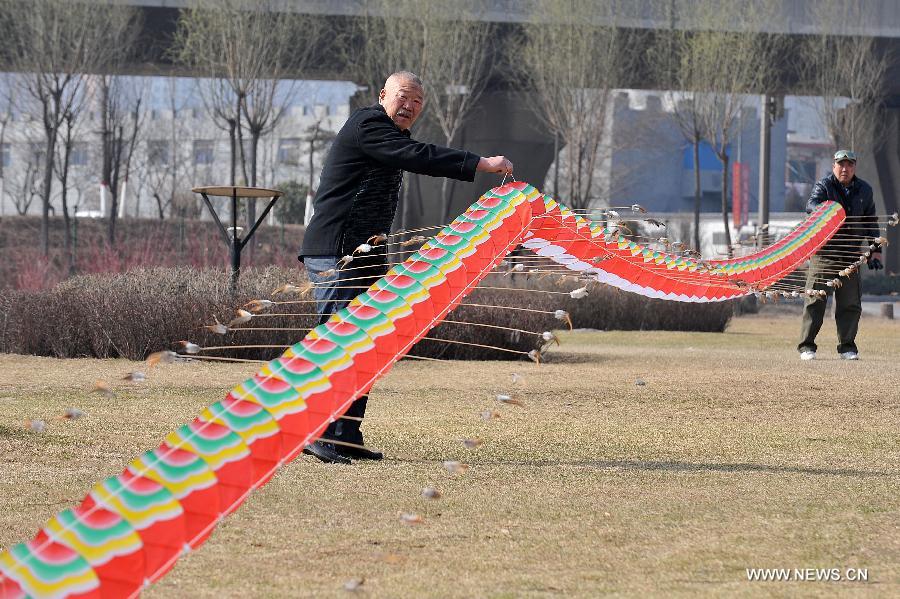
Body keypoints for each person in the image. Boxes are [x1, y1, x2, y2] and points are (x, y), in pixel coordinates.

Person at [299, 71, 514, 464]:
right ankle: (320, 433)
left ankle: (345, 435)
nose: (409, 106)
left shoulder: (392, 136)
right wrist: (481, 163)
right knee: (341, 341)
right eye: (403, 96)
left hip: (363, 254)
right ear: (383, 95)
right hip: (337, 251)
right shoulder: (368, 125)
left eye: (417, 101)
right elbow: (420, 158)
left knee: (367, 344)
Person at [798, 149, 881, 361]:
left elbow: (871, 222)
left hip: (851, 254)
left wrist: (875, 251)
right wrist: (830, 210)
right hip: (824, 254)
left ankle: (847, 347)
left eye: (849, 165)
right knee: (815, 300)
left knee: (850, 304)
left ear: (854, 167)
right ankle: (807, 346)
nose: (845, 169)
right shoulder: (825, 186)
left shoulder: (865, 189)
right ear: (834, 166)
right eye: (841, 164)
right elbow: (811, 205)